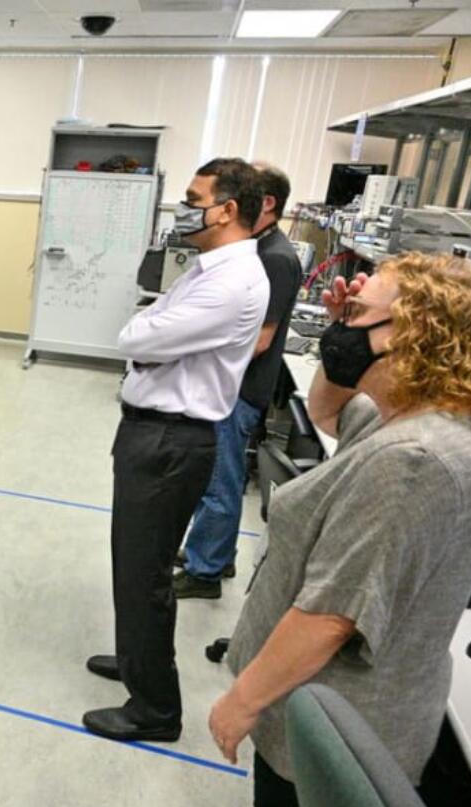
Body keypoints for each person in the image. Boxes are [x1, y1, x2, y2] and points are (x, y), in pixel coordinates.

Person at [210, 253, 471, 807]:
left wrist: (242, 701)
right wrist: (347, 335)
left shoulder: (416, 459)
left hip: (338, 713)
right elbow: (328, 414)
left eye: (357, 313)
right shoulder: (414, 413)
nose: (341, 325)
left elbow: (332, 613)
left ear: (412, 334)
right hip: (335, 702)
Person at [83, 158, 269, 743]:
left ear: (227, 210)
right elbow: (151, 324)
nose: (186, 208)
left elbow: (136, 334)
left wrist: (146, 337)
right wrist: (149, 336)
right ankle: (137, 661)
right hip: (153, 431)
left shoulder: (233, 281)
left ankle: (156, 710)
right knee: (134, 565)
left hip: (170, 439)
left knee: (146, 574)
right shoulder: (209, 267)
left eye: (195, 198)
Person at [175, 162, 303, 599]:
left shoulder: (275, 258)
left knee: (218, 482)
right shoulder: (260, 249)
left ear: (266, 204)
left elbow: (261, 340)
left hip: (238, 389)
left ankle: (205, 571)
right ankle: (209, 551)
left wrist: (193, 355)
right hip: (230, 385)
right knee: (208, 479)